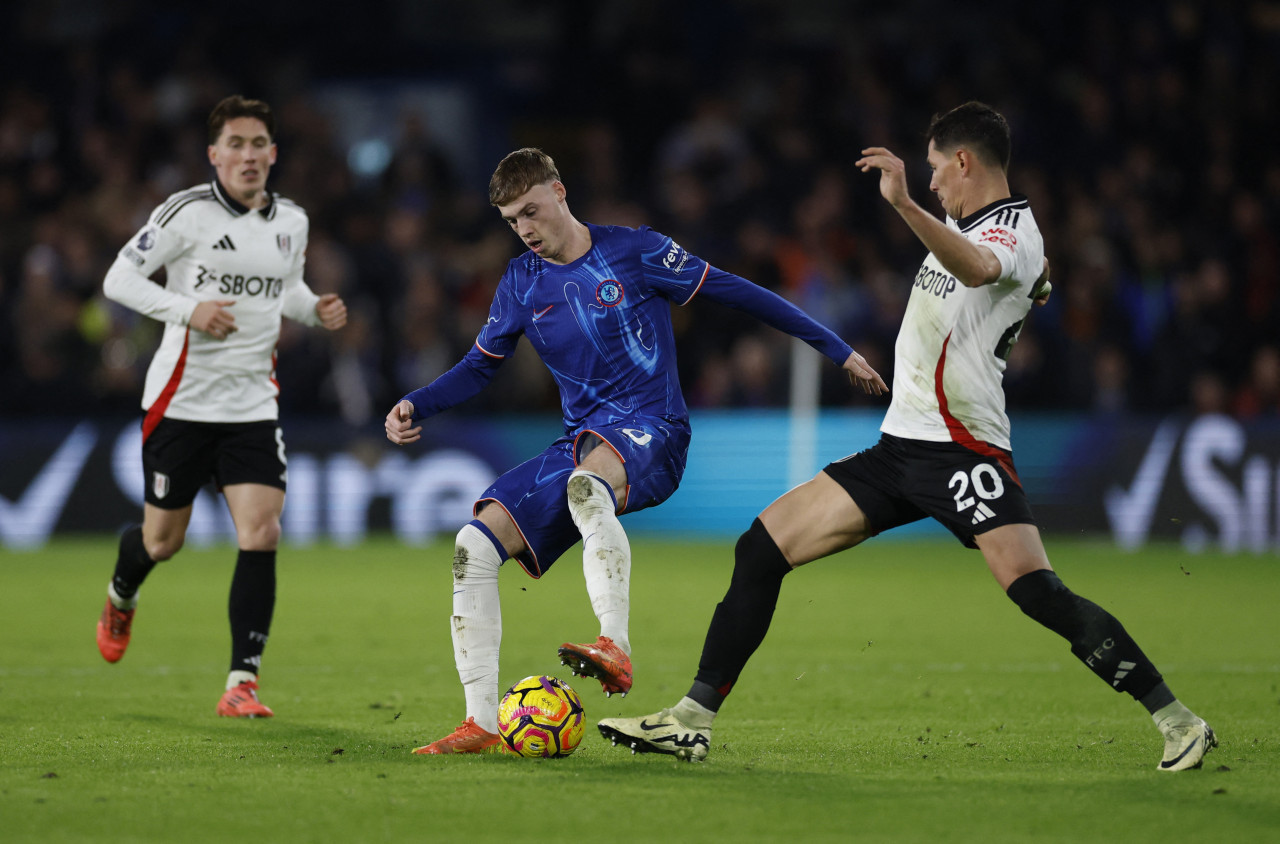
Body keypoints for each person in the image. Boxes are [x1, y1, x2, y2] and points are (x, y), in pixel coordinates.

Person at [598, 102, 1216, 772]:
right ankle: (691, 721)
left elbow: (983, 269)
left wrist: (902, 206)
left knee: (1037, 590)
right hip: (900, 449)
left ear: (964, 162)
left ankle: (1178, 720)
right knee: (761, 547)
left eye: (934, 170)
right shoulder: (974, 224)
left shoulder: (1012, 234)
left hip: (962, 450)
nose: (931, 183)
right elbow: (1015, 278)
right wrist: (1024, 280)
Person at [384, 147, 886, 755]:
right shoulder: (521, 282)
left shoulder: (637, 252)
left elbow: (742, 294)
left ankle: (614, 645)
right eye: (512, 221)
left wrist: (839, 350)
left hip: (656, 428)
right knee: (473, 545)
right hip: (582, 441)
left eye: (531, 212)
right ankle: (481, 723)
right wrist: (418, 404)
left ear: (560, 192)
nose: (525, 231)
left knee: (584, 487)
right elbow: (478, 368)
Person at [95, 95, 348, 718]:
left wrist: (313, 308)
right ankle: (122, 592)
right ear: (214, 155)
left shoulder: (292, 221)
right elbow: (117, 281)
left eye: (258, 143)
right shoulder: (185, 214)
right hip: (181, 402)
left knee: (261, 530)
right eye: (235, 144)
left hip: (252, 405)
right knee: (162, 542)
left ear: (273, 154)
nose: (248, 155)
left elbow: (282, 290)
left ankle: (242, 681)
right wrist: (189, 310)